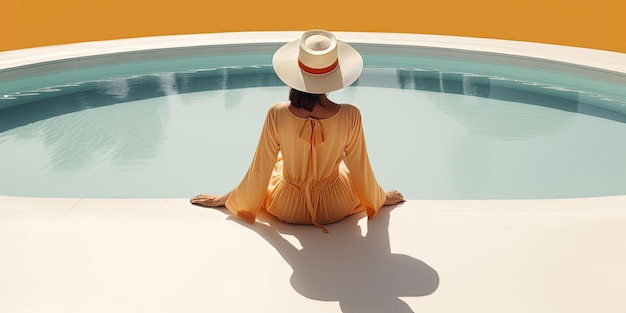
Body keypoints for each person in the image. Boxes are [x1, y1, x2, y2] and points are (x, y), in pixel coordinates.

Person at [190, 29, 405, 233]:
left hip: (286, 207)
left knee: (276, 163)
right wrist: (381, 198)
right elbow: (361, 169)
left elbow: (259, 171)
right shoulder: (351, 115)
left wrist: (223, 199)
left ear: (297, 74)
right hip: (334, 208)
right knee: (342, 166)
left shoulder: (277, 113)